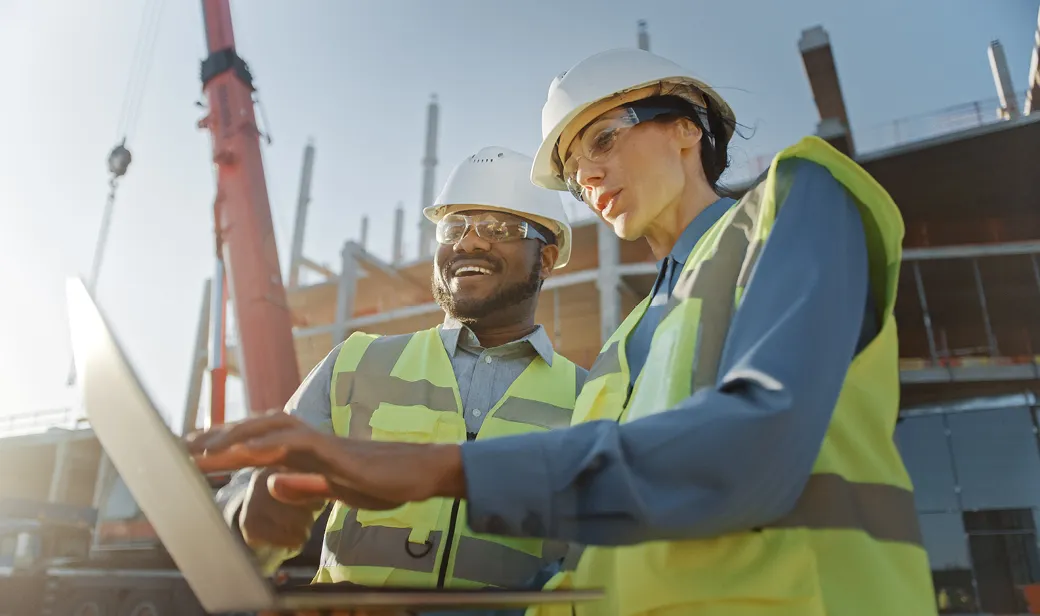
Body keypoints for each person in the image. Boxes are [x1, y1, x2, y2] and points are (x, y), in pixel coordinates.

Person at [188, 48, 938, 616]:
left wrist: (433, 469)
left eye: (604, 140)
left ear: (685, 127)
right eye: (576, 168)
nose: (590, 176)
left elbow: (755, 451)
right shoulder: (621, 355)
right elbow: (590, 566)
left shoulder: (796, 204)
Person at [211, 146, 588, 615]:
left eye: (500, 229)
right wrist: (250, 512)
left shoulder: (591, 398)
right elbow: (252, 491)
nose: (470, 243)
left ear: (547, 259)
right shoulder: (356, 362)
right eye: (455, 227)